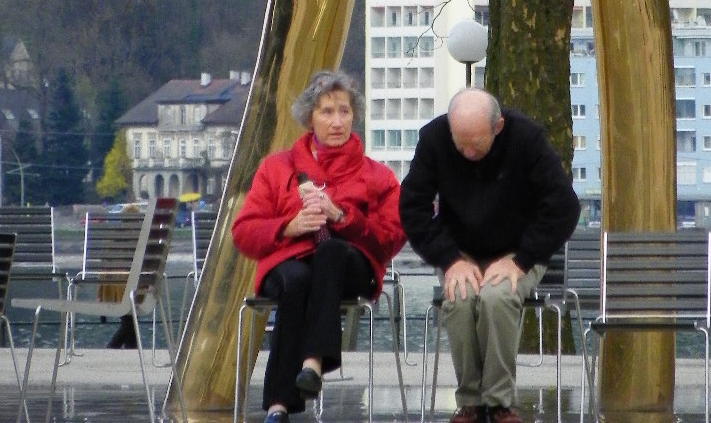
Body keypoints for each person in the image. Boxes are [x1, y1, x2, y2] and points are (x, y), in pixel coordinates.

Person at [232, 70, 405, 423]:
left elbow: (391, 239)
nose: (337, 122)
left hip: (350, 266)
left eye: (344, 111)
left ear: (354, 116)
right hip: (290, 262)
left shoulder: (378, 176)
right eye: (327, 112)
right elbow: (244, 233)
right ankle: (279, 406)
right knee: (296, 281)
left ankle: (313, 361)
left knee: (331, 251)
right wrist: (288, 226)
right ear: (310, 118)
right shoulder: (276, 168)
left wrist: (342, 216)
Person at [399, 88, 580, 423]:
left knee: (498, 298)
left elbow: (563, 207)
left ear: (498, 127)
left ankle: (498, 402)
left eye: (477, 143)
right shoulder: (434, 138)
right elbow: (413, 208)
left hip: (517, 251)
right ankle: (470, 400)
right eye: (460, 143)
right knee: (460, 298)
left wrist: (521, 260)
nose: (468, 152)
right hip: (461, 253)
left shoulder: (527, 138)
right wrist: (449, 259)